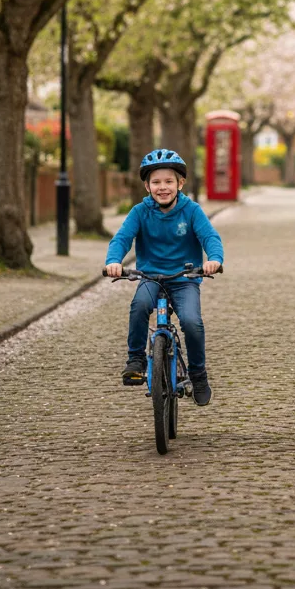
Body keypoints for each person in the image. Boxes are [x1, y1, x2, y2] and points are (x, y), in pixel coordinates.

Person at [105, 149, 224, 405]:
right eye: (156, 182)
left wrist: (214, 259)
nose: (162, 187)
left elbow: (210, 237)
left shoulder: (191, 210)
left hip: (184, 278)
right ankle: (135, 360)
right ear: (147, 186)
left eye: (169, 181)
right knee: (138, 307)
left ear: (180, 183)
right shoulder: (139, 212)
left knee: (192, 322)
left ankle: (198, 373)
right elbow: (122, 238)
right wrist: (113, 261)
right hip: (150, 276)